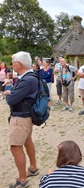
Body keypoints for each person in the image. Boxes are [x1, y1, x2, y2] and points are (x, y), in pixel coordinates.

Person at [5, 51, 39, 188]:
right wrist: (13, 91)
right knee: (27, 141)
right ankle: (33, 167)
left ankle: (22, 180)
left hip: (20, 117)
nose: (12, 65)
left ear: (19, 64)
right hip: (26, 116)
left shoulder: (27, 79)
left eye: (13, 62)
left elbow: (12, 99)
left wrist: (9, 92)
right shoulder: (30, 77)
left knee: (15, 147)